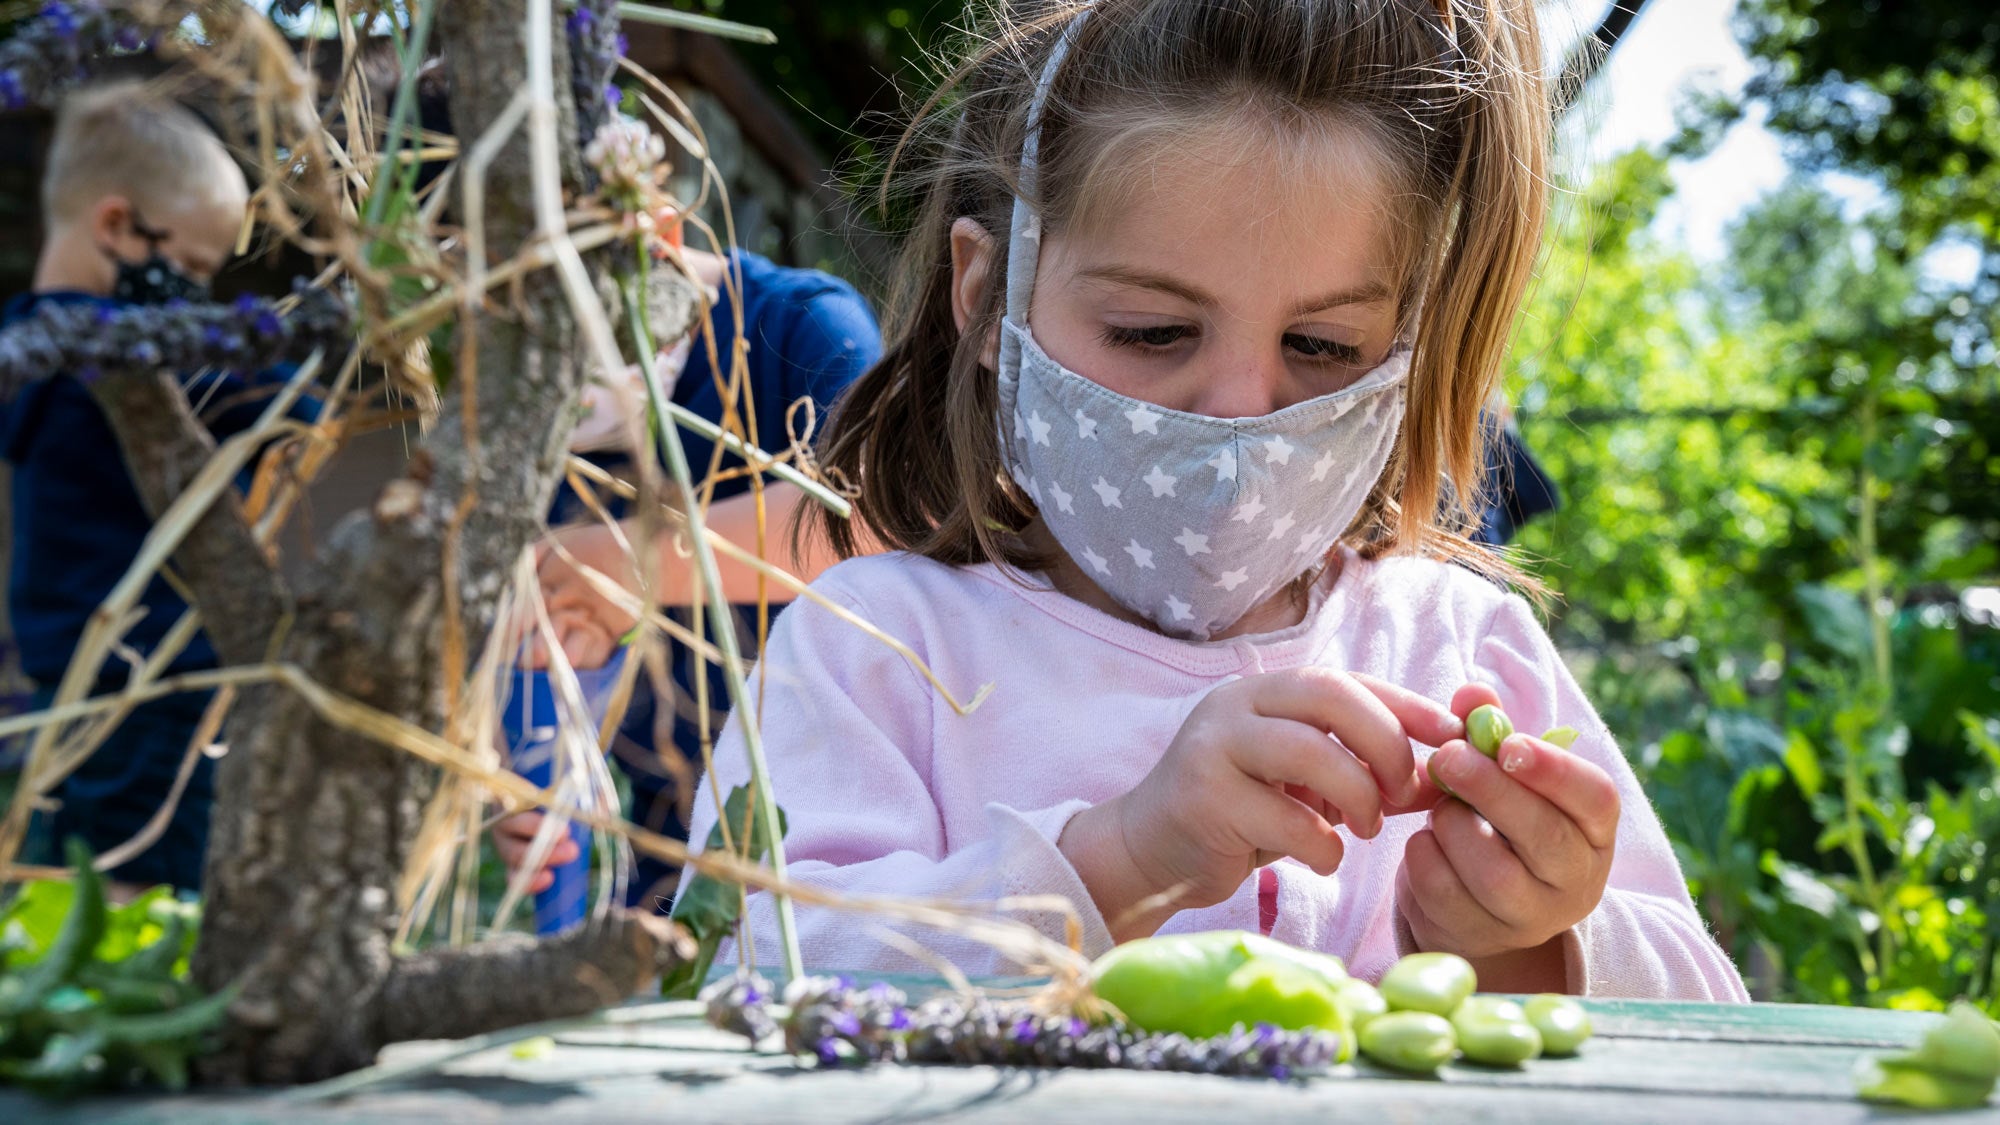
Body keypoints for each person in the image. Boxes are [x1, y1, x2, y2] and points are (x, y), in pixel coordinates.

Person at [649, 0, 1750, 998]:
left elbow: (1711, 1025)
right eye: (1152, 332)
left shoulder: (1463, 645)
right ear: (986, 299)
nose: (1236, 410)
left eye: (1322, 346)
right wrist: (1125, 860)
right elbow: (741, 975)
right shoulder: (870, 648)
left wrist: (1520, 938)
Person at [493, 239, 883, 910]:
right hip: (668, 847)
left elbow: (869, 518)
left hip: (838, 840)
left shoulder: (799, 325)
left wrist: (635, 564)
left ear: (657, 233)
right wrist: (514, 773)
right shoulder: (535, 406)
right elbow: (525, 623)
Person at [2, 80, 317, 892]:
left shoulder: (25, 338)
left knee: (71, 882)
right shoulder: (106, 350)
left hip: (71, 677)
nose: (192, 297)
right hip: (152, 683)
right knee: (143, 896)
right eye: (186, 267)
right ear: (116, 226)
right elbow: (277, 398)